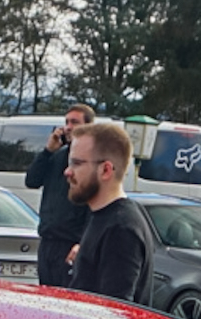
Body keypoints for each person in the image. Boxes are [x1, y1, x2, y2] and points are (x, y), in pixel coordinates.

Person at [65, 119, 157, 303]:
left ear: (106, 170)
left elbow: (115, 314)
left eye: (76, 163)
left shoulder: (121, 229)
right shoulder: (105, 216)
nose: (67, 171)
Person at [23, 103, 95, 287]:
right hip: (48, 242)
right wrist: (47, 151)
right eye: (66, 122)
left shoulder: (91, 162)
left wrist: (83, 243)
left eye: (75, 122)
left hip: (70, 244)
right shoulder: (56, 157)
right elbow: (32, 181)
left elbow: (93, 208)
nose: (68, 127)